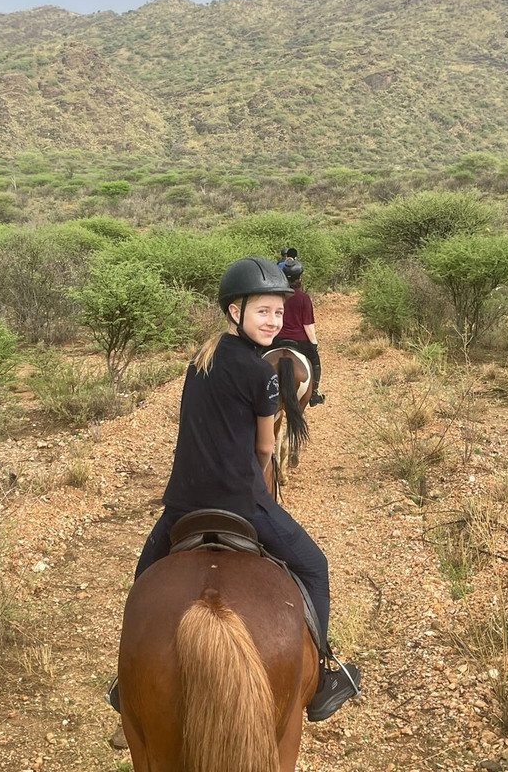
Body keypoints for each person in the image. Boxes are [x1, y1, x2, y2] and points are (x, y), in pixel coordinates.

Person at [108, 257, 360, 722]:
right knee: (314, 565)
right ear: (234, 311)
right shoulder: (262, 374)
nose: (274, 321)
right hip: (242, 503)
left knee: (144, 578)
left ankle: (127, 682)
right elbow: (265, 447)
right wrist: (256, 474)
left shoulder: (198, 362)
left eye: (278, 312)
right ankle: (324, 677)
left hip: (183, 502)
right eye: (263, 311)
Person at [273, 259, 325, 406]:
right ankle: (314, 392)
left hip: (276, 338)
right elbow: (307, 325)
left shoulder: (277, 296)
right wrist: (314, 343)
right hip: (300, 341)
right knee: (315, 361)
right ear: (300, 278)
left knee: (257, 357)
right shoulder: (304, 298)